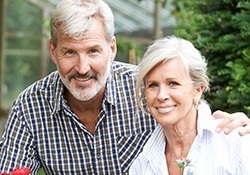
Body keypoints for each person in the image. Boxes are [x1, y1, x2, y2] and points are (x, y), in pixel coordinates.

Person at [0, 0, 249, 174]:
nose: (83, 67)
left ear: (112, 48)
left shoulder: (144, 87)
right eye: (69, 52)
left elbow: (191, 115)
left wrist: (237, 127)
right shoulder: (30, 106)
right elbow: (10, 170)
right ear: (53, 51)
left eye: (93, 51)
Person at [129, 36, 250, 175]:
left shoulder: (234, 142)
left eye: (173, 83)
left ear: (198, 90)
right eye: (153, 85)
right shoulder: (142, 164)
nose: (161, 95)